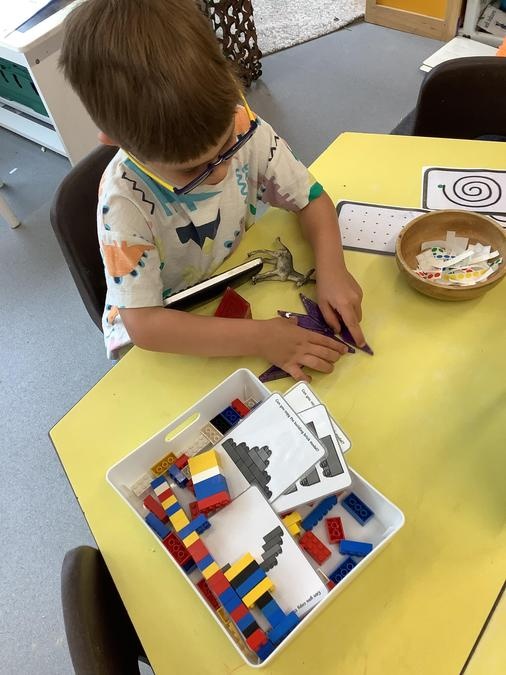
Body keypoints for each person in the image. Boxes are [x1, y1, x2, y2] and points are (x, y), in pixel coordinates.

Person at [59, 0, 365, 381]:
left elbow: (311, 198)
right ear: (115, 140)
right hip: (167, 331)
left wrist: (332, 268)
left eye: (227, 147)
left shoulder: (240, 123)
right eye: (193, 169)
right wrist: (260, 338)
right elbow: (145, 326)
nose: (221, 172)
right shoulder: (123, 202)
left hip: (230, 277)